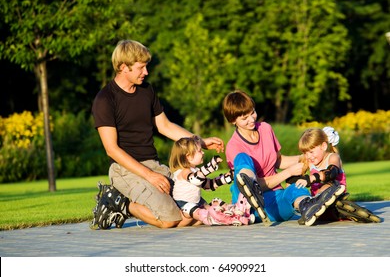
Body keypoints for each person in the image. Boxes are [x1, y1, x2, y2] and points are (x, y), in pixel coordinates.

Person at [90, 39, 224, 230]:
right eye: (141, 67)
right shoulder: (105, 99)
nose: (146, 72)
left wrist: (200, 142)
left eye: (146, 67)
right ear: (122, 67)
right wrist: (149, 176)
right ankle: (120, 203)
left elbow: (165, 126)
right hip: (125, 170)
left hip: (153, 164)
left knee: (197, 211)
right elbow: (112, 149)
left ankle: (130, 201)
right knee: (170, 221)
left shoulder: (147, 90)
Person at [222, 90, 345, 226]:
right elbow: (272, 179)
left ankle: (307, 206)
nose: (251, 119)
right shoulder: (233, 146)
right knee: (242, 157)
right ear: (233, 120)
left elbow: (278, 161)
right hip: (247, 207)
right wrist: (289, 172)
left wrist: (307, 157)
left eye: (252, 113)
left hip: (273, 201)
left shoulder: (265, 129)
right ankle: (250, 184)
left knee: (296, 188)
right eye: (245, 118)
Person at [289, 127, 381, 223]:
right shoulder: (309, 160)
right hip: (319, 205)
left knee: (327, 186)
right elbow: (286, 164)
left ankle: (339, 208)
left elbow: (331, 173)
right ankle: (332, 211)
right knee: (295, 190)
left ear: (323, 146)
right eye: (305, 152)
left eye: (311, 152)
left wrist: (311, 178)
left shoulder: (333, 157)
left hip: (334, 192)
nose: (308, 156)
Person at [169, 135, 254, 226]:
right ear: (189, 157)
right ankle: (218, 218)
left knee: (216, 202)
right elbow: (195, 179)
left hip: (197, 202)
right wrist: (210, 167)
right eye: (199, 151)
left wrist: (227, 177)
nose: (203, 153)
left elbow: (208, 185)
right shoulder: (184, 172)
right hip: (183, 205)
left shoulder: (196, 171)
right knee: (200, 212)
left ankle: (236, 212)